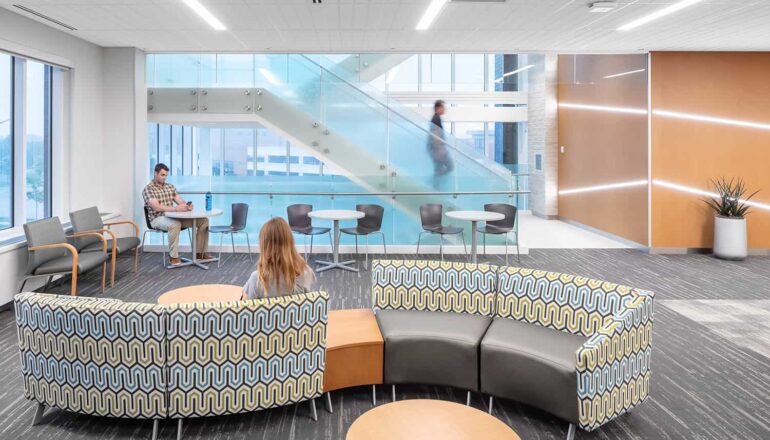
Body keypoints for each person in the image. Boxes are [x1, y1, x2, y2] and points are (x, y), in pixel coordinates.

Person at [142, 163, 212, 266]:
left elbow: (180, 201)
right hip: (157, 219)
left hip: (173, 217)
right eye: (162, 175)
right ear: (155, 173)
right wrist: (175, 209)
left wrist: (187, 206)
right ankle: (173, 257)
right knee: (175, 224)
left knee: (203, 221)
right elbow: (156, 207)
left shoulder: (170, 187)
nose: (164, 177)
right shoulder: (148, 189)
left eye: (166, 175)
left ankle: (199, 253)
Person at [242, 217, 315, 299]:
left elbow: (246, 309)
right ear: (290, 242)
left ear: (265, 247)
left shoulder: (258, 279)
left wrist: (248, 287)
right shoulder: (306, 273)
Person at [428, 100, 454, 183]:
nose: (444, 109)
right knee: (449, 166)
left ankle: (436, 187)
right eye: (443, 107)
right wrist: (439, 150)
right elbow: (435, 134)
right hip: (437, 150)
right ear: (438, 108)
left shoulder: (436, 118)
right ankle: (435, 187)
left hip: (436, 149)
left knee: (439, 169)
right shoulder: (436, 119)